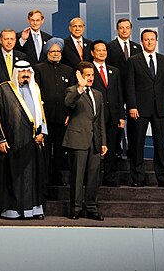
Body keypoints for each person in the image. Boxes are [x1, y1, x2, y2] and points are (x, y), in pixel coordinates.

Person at [0, 60, 47, 220]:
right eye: (22, 72)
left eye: (28, 72)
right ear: (16, 72)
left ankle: (34, 210)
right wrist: (1, 138)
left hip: (33, 141)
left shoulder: (35, 88)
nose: (25, 75)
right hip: (13, 140)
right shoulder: (4, 88)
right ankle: (13, 211)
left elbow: (41, 114)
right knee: (14, 176)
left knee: (33, 176)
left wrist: (42, 133)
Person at [126, 29, 164, 188]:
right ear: (142, 42)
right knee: (137, 144)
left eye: (152, 39)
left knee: (160, 144)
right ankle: (138, 178)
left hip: (161, 108)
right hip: (140, 109)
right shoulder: (133, 60)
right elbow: (130, 85)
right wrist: (132, 106)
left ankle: (163, 178)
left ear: (156, 41)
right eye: (146, 39)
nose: (149, 42)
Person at [63, 62, 107, 220]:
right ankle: (75, 208)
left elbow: (100, 120)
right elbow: (69, 103)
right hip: (78, 139)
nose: (90, 78)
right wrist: (80, 88)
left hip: (94, 141)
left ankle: (91, 207)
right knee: (77, 176)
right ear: (79, 76)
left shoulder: (98, 94)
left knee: (93, 177)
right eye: (87, 75)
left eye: (92, 75)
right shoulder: (72, 90)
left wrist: (103, 142)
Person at [34, 38, 73, 186]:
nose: (56, 54)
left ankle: (57, 179)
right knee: (44, 152)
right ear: (47, 52)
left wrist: (69, 114)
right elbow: (35, 93)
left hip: (62, 118)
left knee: (59, 152)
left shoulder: (68, 70)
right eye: (52, 51)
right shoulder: (39, 68)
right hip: (44, 119)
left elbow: (72, 94)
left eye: (58, 51)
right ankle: (43, 180)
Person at [90, 40, 125, 187]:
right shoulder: (87, 69)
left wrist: (121, 116)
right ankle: (93, 179)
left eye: (104, 50)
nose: (102, 53)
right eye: (98, 50)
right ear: (92, 52)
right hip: (94, 117)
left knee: (111, 149)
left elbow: (119, 94)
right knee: (94, 150)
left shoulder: (114, 70)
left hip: (112, 116)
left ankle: (110, 177)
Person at [106, 18, 142, 157]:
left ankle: (133, 150)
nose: (124, 30)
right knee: (117, 121)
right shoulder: (110, 46)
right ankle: (116, 150)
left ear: (131, 29)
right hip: (116, 90)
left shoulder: (137, 47)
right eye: (121, 28)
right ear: (117, 29)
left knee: (135, 122)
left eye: (127, 27)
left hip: (134, 91)